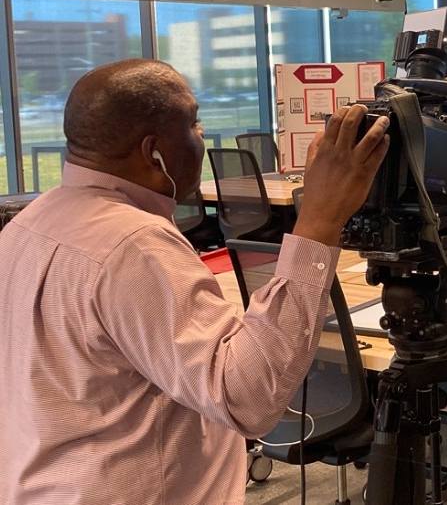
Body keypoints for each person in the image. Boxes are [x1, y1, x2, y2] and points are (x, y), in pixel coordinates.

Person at [0, 58, 389, 504]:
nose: (203, 136)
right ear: (154, 152)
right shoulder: (134, 246)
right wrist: (320, 220)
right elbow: (247, 397)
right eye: (195, 123)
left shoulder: (27, 223)